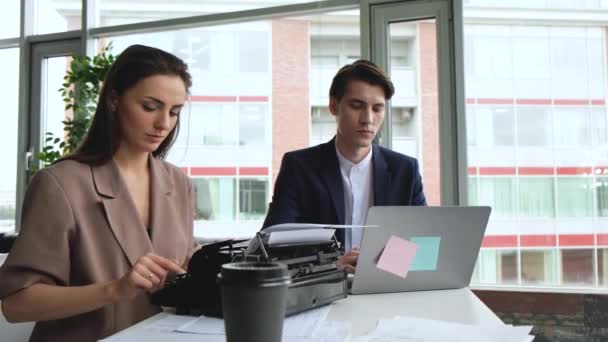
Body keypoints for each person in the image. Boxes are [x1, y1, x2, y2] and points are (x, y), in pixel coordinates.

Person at [0, 44, 198, 341]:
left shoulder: (179, 183)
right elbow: (17, 304)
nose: (163, 124)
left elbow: (185, 269)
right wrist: (115, 289)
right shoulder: (60, 184)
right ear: (114, 99)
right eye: (150, 107)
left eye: (174, 112)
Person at [263, 59, 426, 273]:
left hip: (386, 289)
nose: (368, 119)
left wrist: (377, 266)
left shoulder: (405, 170)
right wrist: (330, 267)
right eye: (356, 106)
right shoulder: (299, 167)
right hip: (322, 290)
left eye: (377, 108)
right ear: (333, 106)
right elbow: (272, 244)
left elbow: (423, 243)